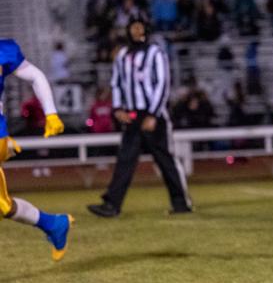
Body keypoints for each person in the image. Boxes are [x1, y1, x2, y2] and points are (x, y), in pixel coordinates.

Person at [87, 16, 192, 218]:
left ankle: (181, 203)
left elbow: (163, 84)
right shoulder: (123, 55)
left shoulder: (155, 53)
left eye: (139, 27)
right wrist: (118, 109)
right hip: (132, 115)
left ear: (145, 29)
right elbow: (116, 83)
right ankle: (112, 205)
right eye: (132, 27)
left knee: (165, 160)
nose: (135, 31)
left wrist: (153, 114)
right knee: (125, 160)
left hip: (154, 114)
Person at [0, 38, 72, 260]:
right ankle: (54, 224)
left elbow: (35, 76)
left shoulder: (5, 50)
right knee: (4, 206)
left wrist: (50, 112)